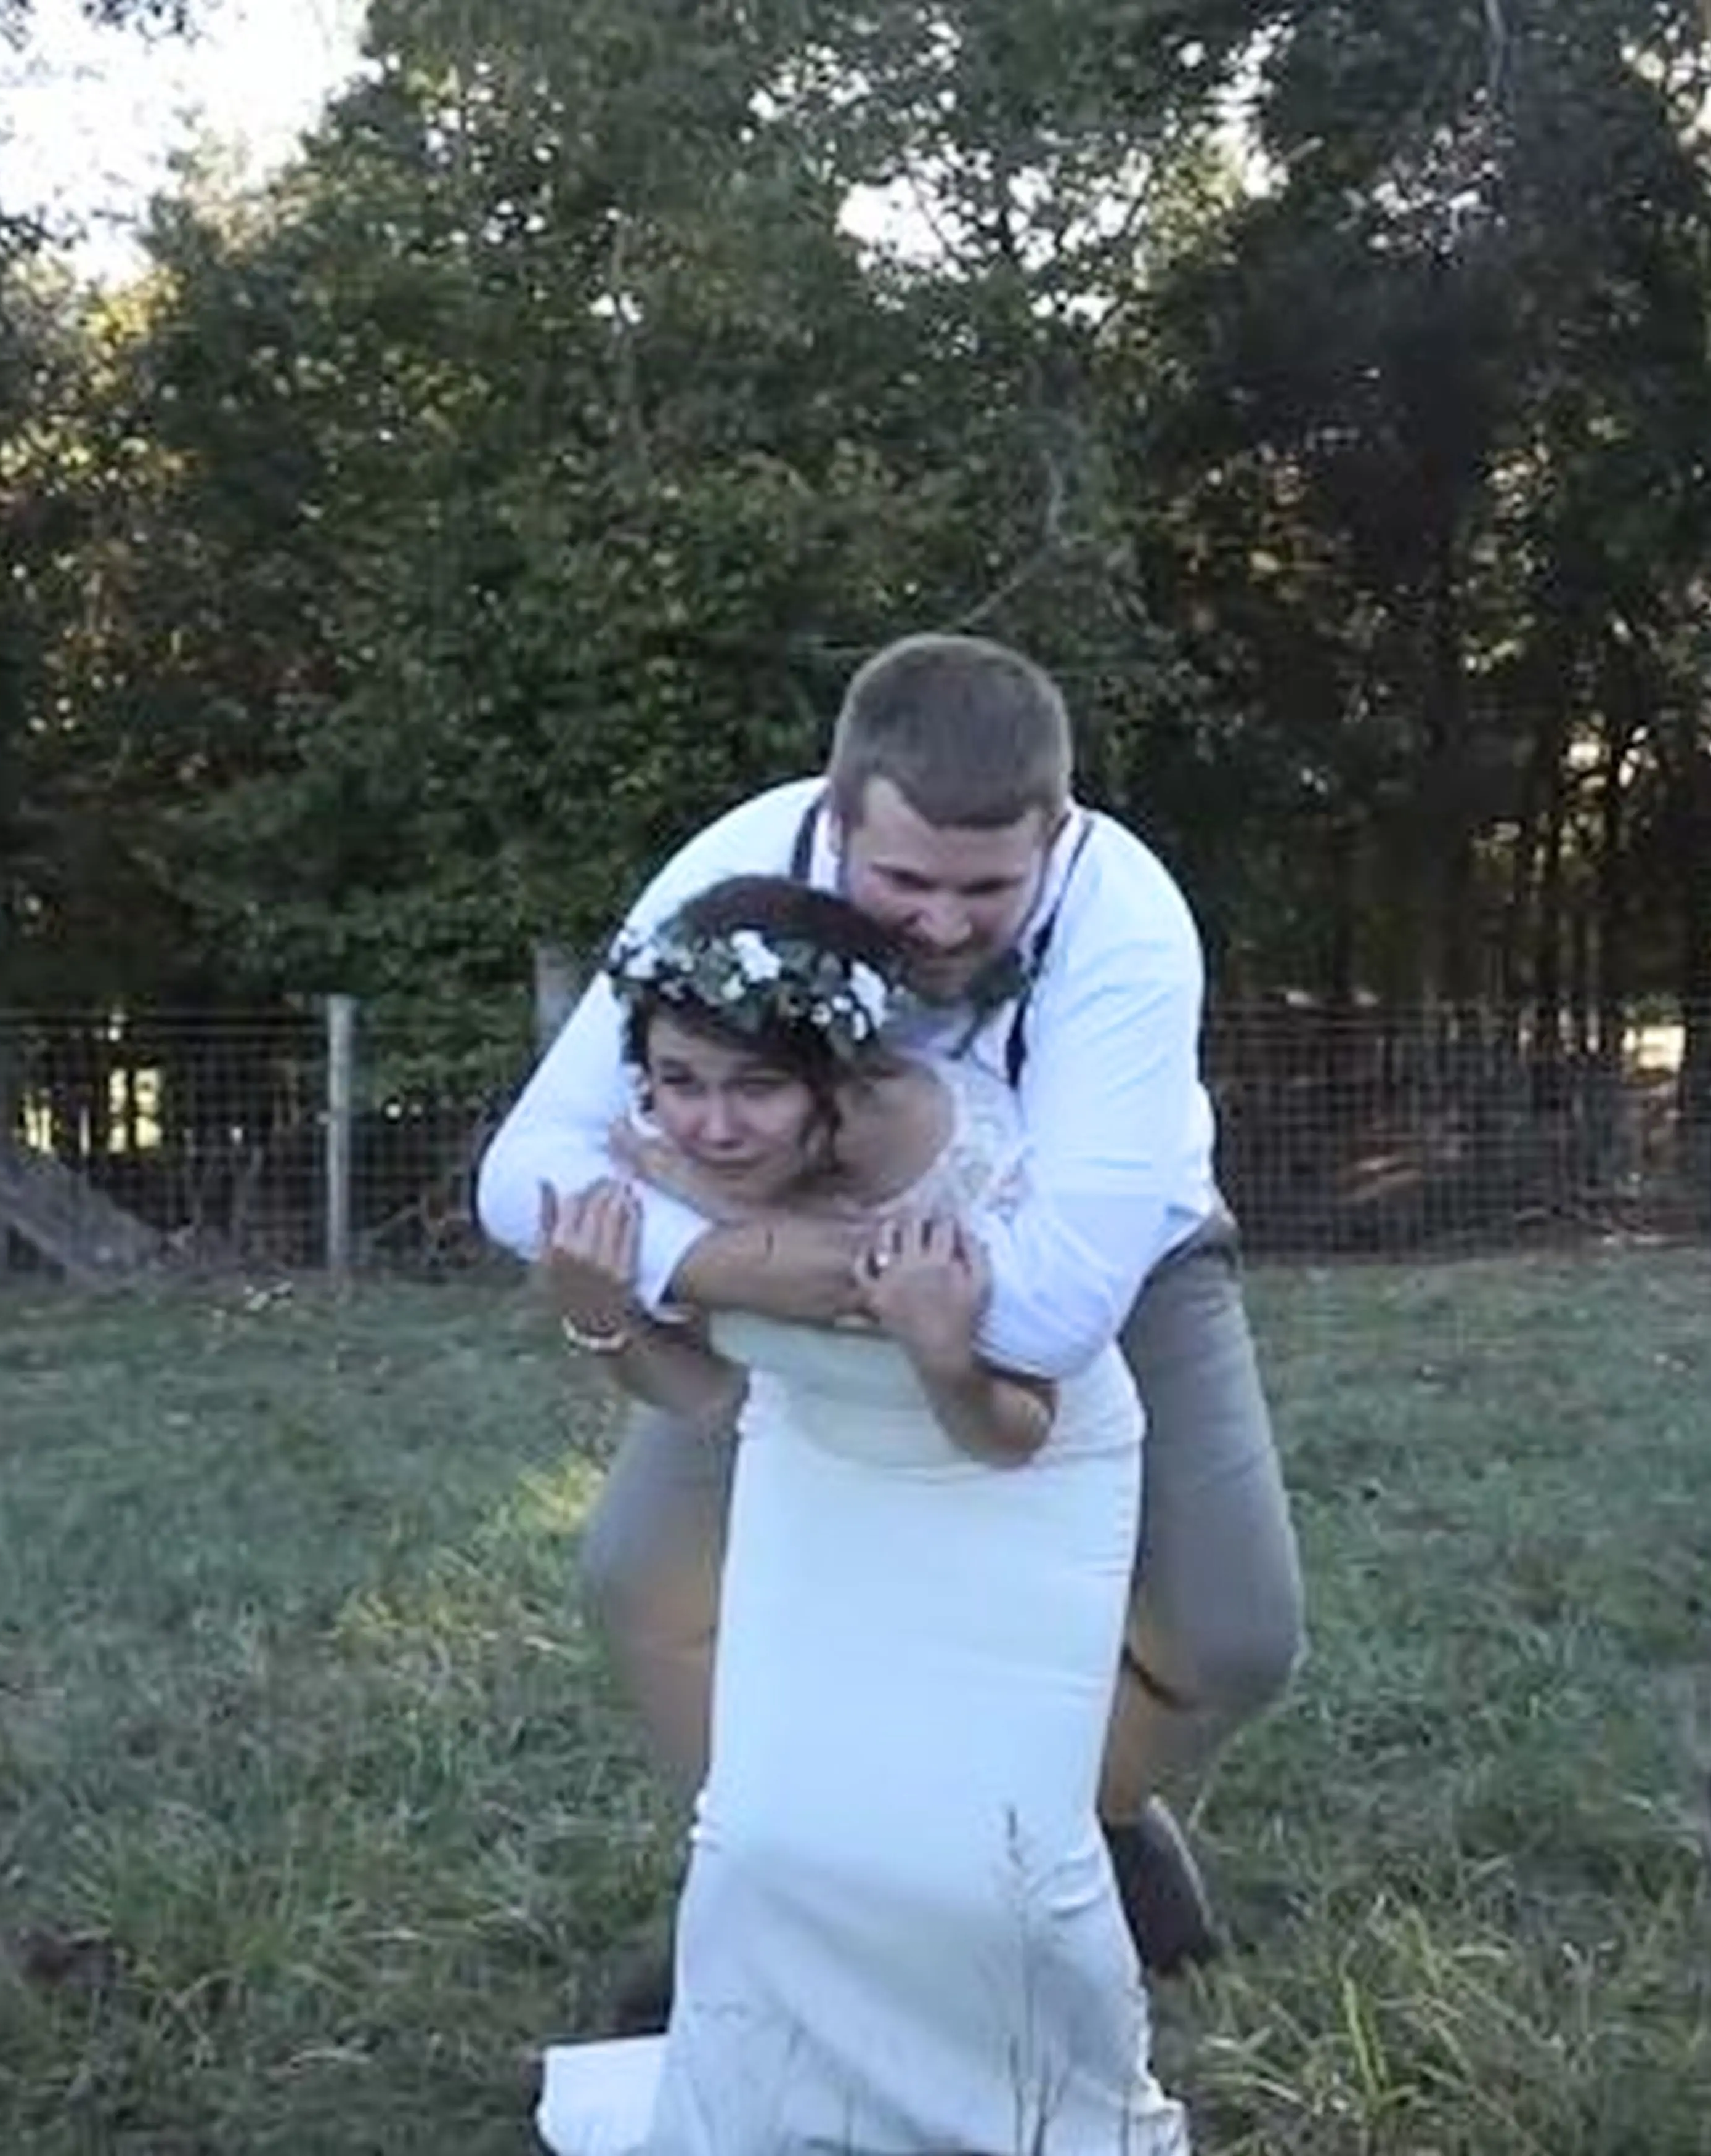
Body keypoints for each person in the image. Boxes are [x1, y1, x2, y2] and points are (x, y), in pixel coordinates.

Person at [477, 631, 1304, 1979]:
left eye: (989, 886)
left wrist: (687, 1257)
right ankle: (772, 1888)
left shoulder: (1131, 922)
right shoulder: (741, 858)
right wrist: (759, 1264)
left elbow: (1047, 1317)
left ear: (1060, 830)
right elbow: (527, 1177)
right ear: (833, 812)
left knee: (1237, 1629)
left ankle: (1077, 1812)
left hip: (1124, 1269)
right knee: (642, 1574)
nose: (938, 920)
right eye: (903, 876)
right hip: (787, 1239)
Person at [527, 875, 1189, 2155]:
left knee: (998, 1859)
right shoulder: (655, 1156)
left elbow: (1018, 1430)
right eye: (677, 1080)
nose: (712, 1123)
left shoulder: (978, 1163)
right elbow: (708, 1391)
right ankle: (771, 2108)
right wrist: (600, 1309)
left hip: (1018, 1481)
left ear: (836, 1073)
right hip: (813, 1465)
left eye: (754, 1088)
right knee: (768, 1829)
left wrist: (946, 1351)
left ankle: (1050, 2117)